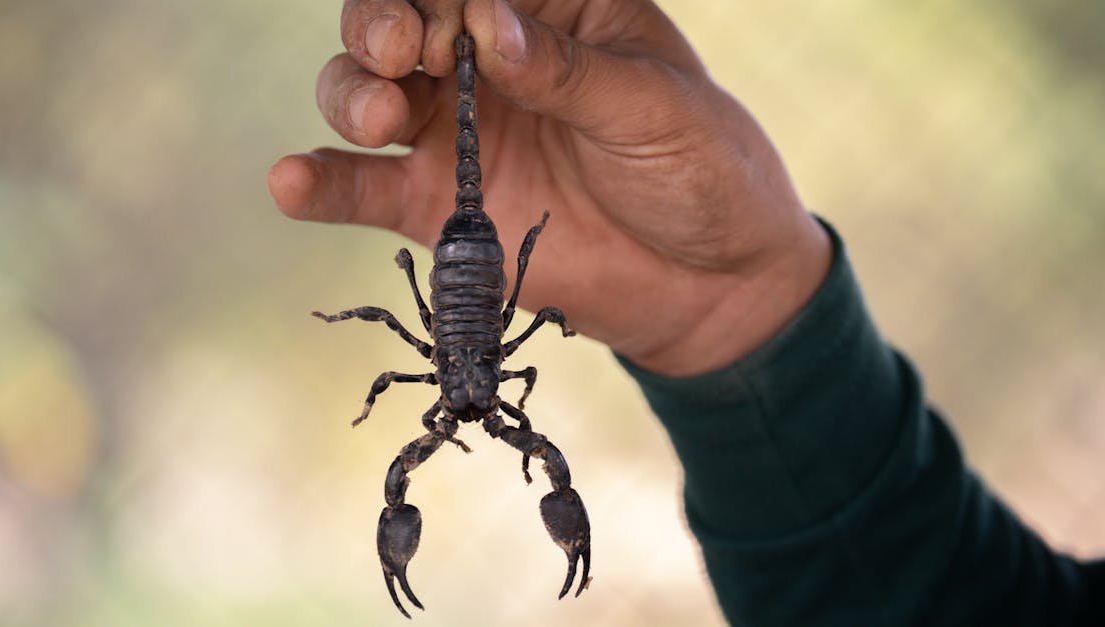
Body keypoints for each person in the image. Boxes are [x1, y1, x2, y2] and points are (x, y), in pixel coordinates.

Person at [267, 1, 1105, 624]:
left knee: (428, 430)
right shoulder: (500, 385)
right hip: (479, 278)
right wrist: (738, 316)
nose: (478, 420)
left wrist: (727, 321)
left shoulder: (454, 398)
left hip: (463, 282)